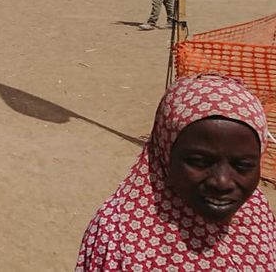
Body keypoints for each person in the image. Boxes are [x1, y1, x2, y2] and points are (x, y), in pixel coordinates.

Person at [75, 74, 276, 271]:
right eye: (198, 162)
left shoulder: (257, 215)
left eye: (243, 166)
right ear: (164, 155)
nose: (222, 182)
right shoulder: (118, 233)